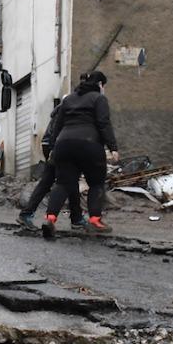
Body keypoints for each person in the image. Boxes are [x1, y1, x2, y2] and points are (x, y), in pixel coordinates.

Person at [41, 70, 118, 240]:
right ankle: (95, 221)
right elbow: (103, 123)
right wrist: (113, 147)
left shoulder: (68, 99)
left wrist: (53, 147)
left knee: (62, 184)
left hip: (64, 145)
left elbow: (57, 124)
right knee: (96, 183)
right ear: (100, 85)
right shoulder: (99, 99)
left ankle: (50, 219)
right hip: (89, 144)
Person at [18, 96, 84, 230]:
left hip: (49, 145)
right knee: (67, 181)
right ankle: (74, 218)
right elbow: (61, 131)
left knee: (51, 181)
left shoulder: (60, 110)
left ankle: (27, 213)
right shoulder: (69, 111)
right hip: (57, 147)